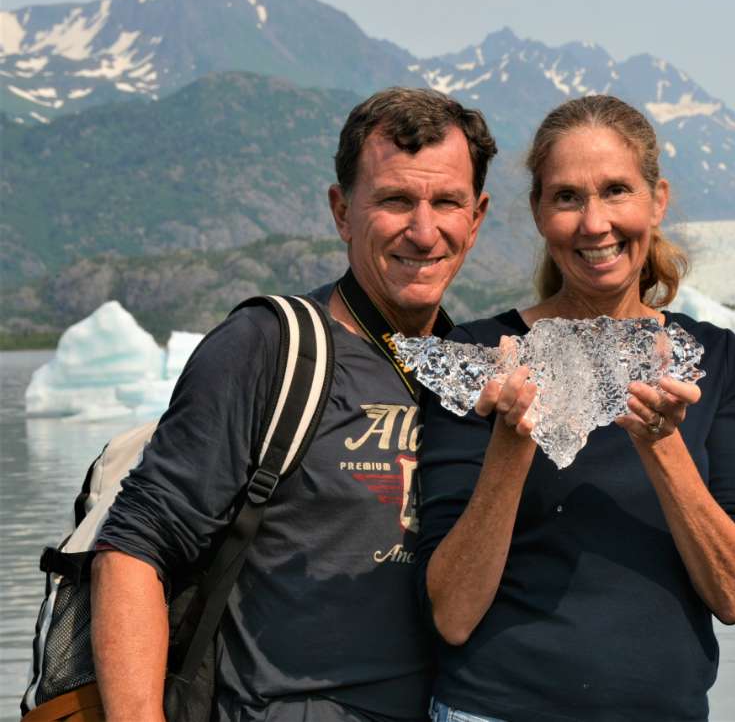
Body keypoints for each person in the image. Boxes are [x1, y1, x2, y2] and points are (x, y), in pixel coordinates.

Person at [90, 87, 497, 722]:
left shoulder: (476, 372)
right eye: (394, 200)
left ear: (477, 217)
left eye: (447, 202)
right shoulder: (270, 348)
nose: (424, 231)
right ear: (342, 212)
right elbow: (136, 544)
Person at [415, 95, 735, 721]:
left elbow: (734, 592)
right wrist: (514, 439)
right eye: (567, 197)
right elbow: (451, 613)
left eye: (616, 191)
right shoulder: (480, 357)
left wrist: (660, 442)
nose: (594, 223)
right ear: (538, 212)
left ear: (656, 201)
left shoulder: (716, 360)